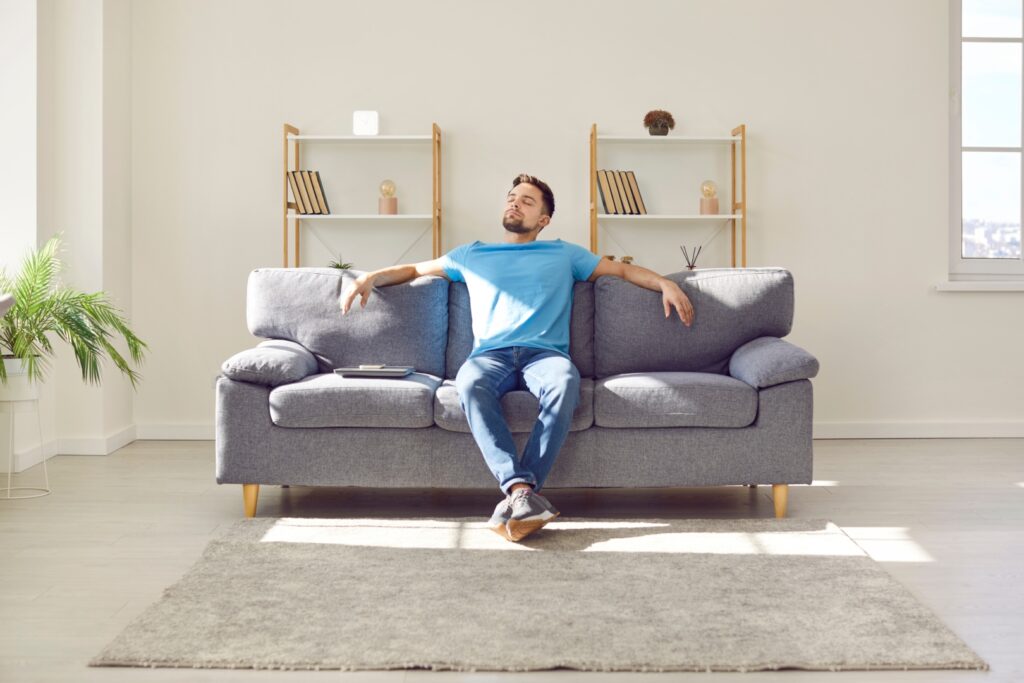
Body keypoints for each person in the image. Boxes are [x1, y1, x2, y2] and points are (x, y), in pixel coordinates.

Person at [340, 173, 693, 542]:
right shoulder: (471, 254)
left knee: (565, 382)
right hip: (490, 356)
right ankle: (522, 492)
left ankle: (518, 492)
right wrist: (370, 278)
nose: (514, 203)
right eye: (512, 197)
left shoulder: (564, 253)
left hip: (546, 356)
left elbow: (621, 270)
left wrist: (666, 282)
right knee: (470, 383)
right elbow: (414, 270)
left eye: (527, 201)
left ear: (544, 219)